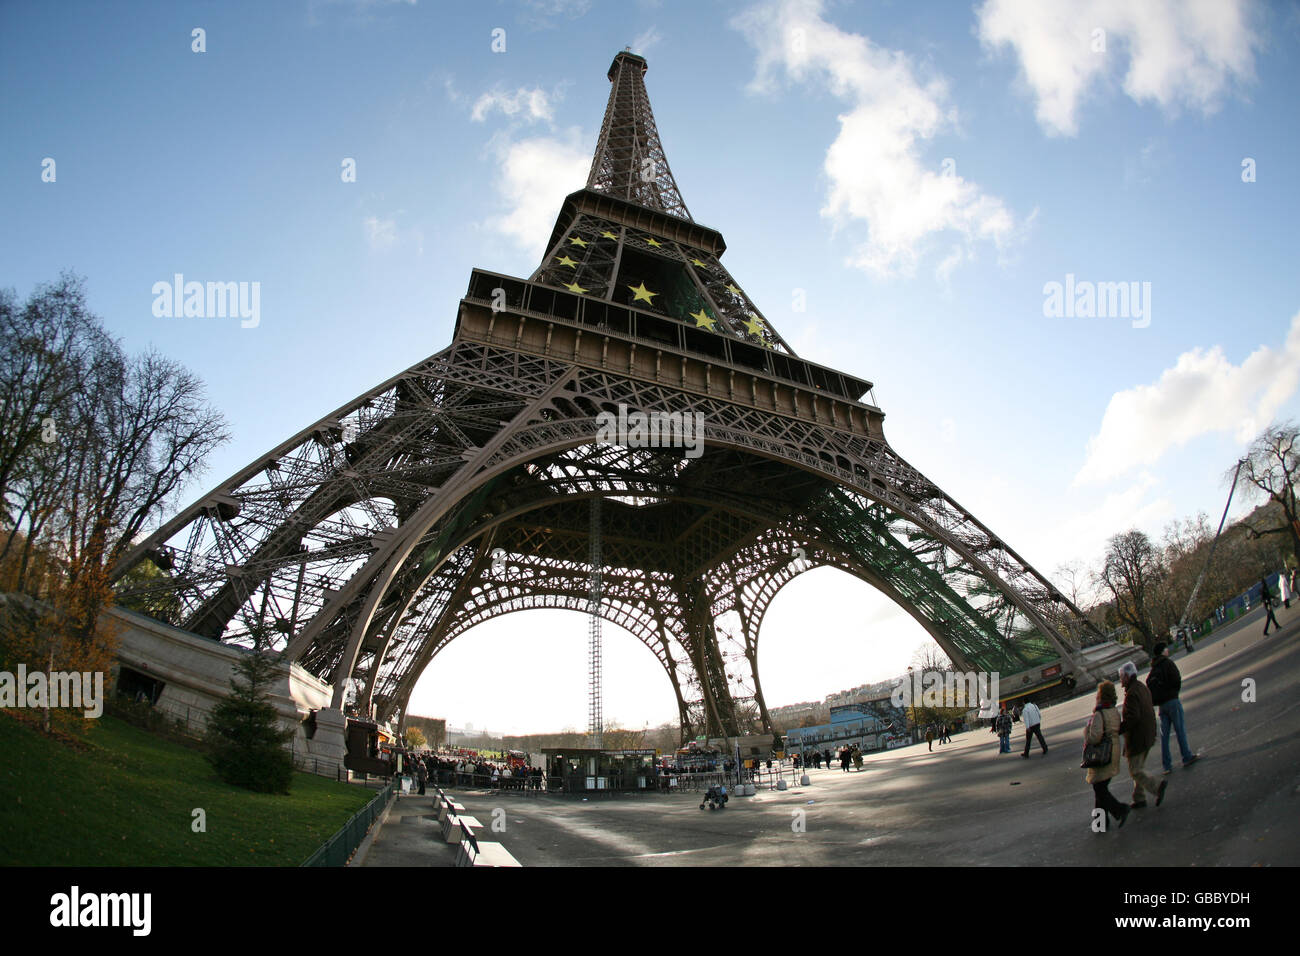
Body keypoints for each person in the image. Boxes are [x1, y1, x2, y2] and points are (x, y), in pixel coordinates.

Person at [1118, 661, 1167, 810]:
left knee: (1135, 770)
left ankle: (1157, 786)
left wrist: (1118, 729)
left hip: (1138, 737)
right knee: (1139, 767)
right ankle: (1139, 797)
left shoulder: (1132, 693)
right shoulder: (1141, 687)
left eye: (1121, 677)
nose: (1120, 680)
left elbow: (1132, 718)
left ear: (1127, 676)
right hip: (1148, 733)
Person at [1146, 642, 1199, 774]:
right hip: (1172, 701)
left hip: (1161, 705)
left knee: (1165, 735)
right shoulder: (1168, 663)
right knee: (1180, 729)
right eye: (1166, 649)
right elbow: (1176, 679)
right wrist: (1173, 692)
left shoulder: (1153, 669)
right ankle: (1186, 756)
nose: (1167, 651)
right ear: (1163, 651)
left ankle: (1167, 765)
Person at [1085, 681, 1129, 830]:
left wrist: (1087, 732)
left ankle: (1119, 810)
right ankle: (1100, 823)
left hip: (1101, 755)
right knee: (1100, 787)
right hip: (1113, 751)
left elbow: (1095, 737)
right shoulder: (1113, 711)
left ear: (1100, 695)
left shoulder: (1099, 713)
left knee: (1099, 789)